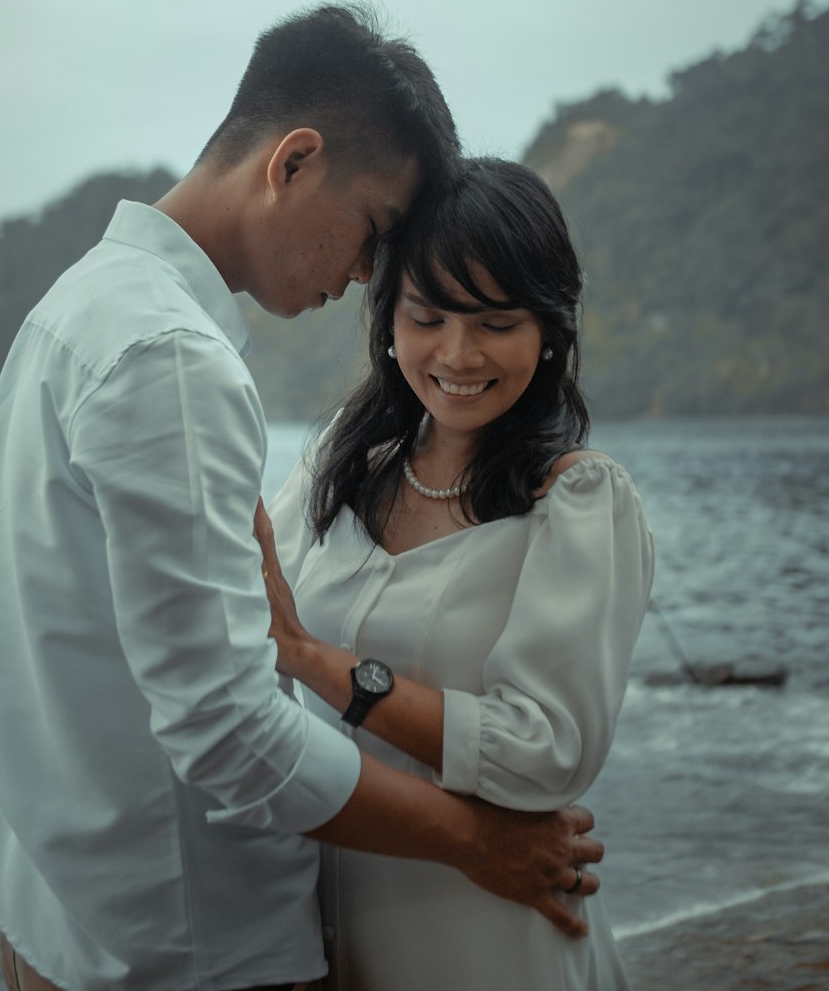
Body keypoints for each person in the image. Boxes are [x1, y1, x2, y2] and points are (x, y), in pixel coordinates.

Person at [0, 9, 605, 991]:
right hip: (184, 943)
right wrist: (476, 842)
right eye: (375, 230)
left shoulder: (80, 307)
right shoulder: (169, 356)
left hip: (68, 909)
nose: (363, 277)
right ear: (293, 162)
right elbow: (226, 729)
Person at [257, 156, 655, 990]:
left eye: (497, 321)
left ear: (549, 328)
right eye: (427, 316)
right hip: (332, 933)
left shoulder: (575, 501)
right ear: (388, 321)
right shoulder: (343, 464)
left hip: (494, 938)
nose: (459, 353)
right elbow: (242, 618)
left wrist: (323, 666)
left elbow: (547, 753)